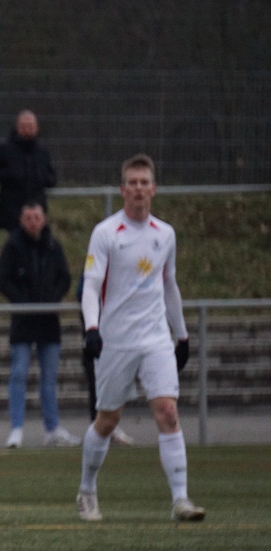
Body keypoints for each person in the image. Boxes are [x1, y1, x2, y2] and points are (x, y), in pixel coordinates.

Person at [77, 153, 203, 523]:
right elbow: (91, 285)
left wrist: (182, 336)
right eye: (132, 183)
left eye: (144, 183)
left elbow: (169, 285)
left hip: (155, 338)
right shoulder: (106, 233)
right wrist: (92, 328)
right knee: (107, 420)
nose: (138, 189)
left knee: (168, 411)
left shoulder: (165, 234)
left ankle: (180, 500)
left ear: (154, 189)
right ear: (122, 190)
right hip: (116, 340)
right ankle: (86, 490)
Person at [0, 202, 80, 449]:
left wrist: (51, 300)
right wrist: (21, 301)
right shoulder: (13, 246)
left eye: (37, 217)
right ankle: (16, 428)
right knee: (19, 372)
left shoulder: (53, 245)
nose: (33, 222)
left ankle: (52, 428)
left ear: (44, 219)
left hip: (48, 319)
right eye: (28, 217)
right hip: (23, 319)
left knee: (49, 376)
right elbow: (2, 278)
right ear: (21, 220)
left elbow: (64, 278)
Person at [76, 273, 135, 446]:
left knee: (116, 380)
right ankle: (98, 427)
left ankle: (109, 425)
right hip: (98, 334)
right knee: (97, 380)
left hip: (118, 332)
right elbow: (83, 292)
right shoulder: (96, 266)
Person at [0, 110, 58, 232]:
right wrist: (9, 175)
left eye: (31, 126)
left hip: (36, 213)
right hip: (12, 212)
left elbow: (52, 178)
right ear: (17, 127)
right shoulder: (3, 150)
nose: (27, 129)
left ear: (37, 128)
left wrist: (41, 177)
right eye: (24, 126)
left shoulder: (43, 152)